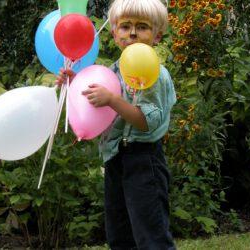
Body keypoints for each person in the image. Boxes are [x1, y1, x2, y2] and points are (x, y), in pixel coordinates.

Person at [56, 0, 176, 248]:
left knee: (150, 234)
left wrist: (112, 100)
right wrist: (76, 81)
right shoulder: (113, 71)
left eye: (142, 27)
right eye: (125, 27)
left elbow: (146, 122)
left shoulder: (155, 73)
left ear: (157, 36)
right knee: (119, 235)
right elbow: (98, 100)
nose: (132, 33)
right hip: (115, 158)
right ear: (114, 33)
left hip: (144, 161)